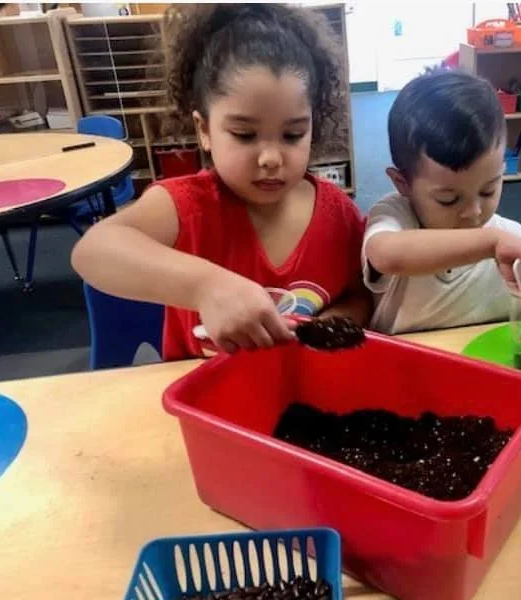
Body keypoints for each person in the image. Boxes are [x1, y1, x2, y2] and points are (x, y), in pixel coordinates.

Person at [71, 3, 369, 360]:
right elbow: (92, 251)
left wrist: (326, 328)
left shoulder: (339, 214)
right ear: (204, 130)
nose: (271, 158)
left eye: (292, 135)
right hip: (205, 398)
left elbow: (361, 295)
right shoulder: (185, 207)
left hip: (304, 392)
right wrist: (207, 287)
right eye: (244, 135)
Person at [362, 71, 521, 376]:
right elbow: (386, 255)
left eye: (488, 190)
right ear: (402, 183)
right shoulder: (396, 216)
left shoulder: (506, 237)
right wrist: (489, 244)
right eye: (448, 199)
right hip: (403, 375)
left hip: (486, 377)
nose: (473, 212)